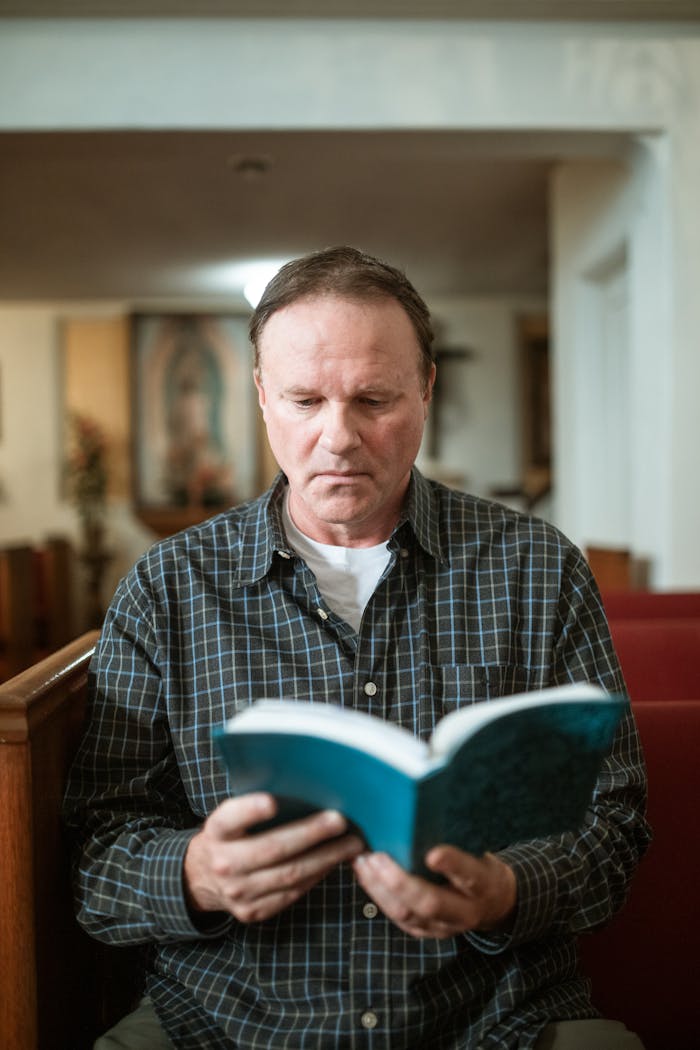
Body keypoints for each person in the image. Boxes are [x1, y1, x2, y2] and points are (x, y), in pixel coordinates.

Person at [64, 246, 650, 1050]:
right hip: (224, 1022)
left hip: (495, 1018)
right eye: (305, 400)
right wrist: (197, 873)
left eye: (374, 399)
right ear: (264, 399)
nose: (337, 438)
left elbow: (614, 825)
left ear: (426, 392)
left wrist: (505, 891)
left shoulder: (539, 569)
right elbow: (96, 856)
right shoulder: (167, 588)